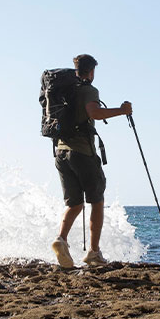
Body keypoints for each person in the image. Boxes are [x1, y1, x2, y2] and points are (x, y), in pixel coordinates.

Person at [51, 54, 132, 268]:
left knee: (74, 203)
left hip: (61, 153)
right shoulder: (88, 90)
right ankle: (93, 253)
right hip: (82, 153)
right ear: (92, 71)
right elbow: (94, 113)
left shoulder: (63, 90)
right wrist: (122, 111)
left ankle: (61, 239)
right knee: (96, 200)